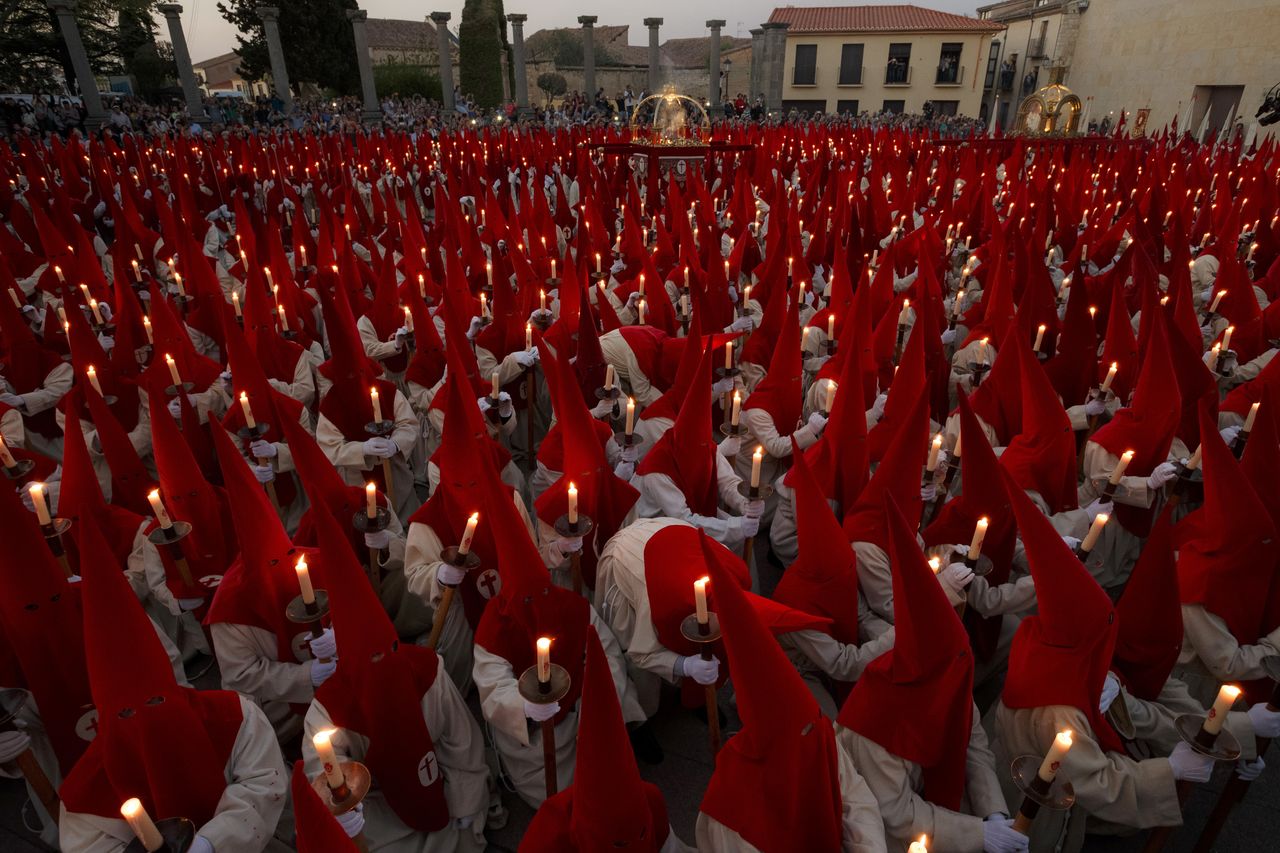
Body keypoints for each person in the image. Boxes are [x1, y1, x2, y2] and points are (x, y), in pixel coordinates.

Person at [59, 515, 290, 852]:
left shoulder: (231, 716)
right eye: (125, 713)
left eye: (155, 702)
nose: (144, 721)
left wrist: (212, 843)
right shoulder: (85, 794)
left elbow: (263, 784)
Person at [302, 503, 490, 852]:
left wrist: (467, 802)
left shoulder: (426, 671)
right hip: (377, 803)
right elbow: (328, 776)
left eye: (387, 652)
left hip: (433, 781)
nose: (382, 666)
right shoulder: (328, 710)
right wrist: (344, 810)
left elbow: (461, 742)